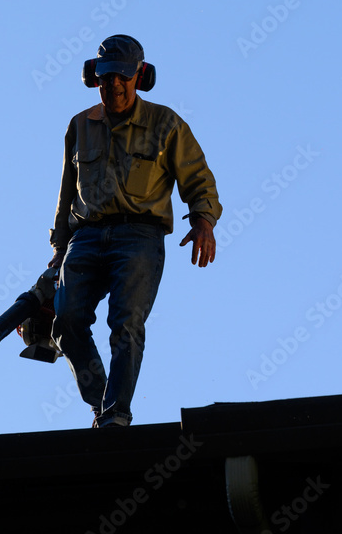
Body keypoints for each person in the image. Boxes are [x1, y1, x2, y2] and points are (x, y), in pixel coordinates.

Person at [48, 34, 222, 428]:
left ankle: (116, 415)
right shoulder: (80, 125)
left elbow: (198, 179)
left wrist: (203, 220)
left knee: (125, 323)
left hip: (139, 236)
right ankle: (101, 401)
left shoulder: (166, 124)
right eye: (107, 77)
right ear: (95, 77)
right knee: (66, 319)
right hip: (86, 235)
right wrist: (59, 249)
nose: (115, 86)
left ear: (140, 77)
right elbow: (65, 192)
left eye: (123, 77)